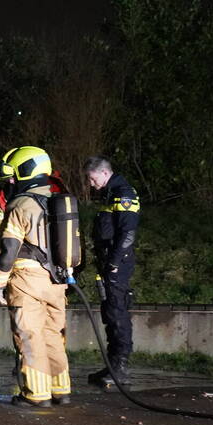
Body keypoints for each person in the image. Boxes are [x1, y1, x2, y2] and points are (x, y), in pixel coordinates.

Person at [0, 146, 72, 407]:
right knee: (53, 336)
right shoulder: (59, 200)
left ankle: (36, 395)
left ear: (26, 171)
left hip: (27, 282)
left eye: (15, 175)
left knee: (29, 336)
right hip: (58, 281)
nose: (11, 181)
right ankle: (61, 390)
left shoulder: (20, 205)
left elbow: (8, 250)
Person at [84, 156, 140, 387]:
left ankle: (120, 366)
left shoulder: (123, 193)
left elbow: (128, 233)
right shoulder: (110, 192)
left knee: (117, 311)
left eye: (92, 178)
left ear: (104, 173)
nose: (90, 183)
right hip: (108, 260)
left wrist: (115, 263)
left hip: (117, 262)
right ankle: (112, 363)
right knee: (110, 311)